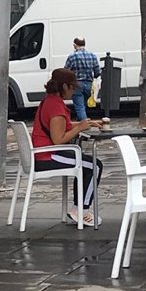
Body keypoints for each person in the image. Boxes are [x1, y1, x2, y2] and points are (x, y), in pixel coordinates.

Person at [31, 68, 103, 226]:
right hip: (48, 155)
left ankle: (79, 206)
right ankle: (81, 209)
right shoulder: (56, 107)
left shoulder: (49, 101)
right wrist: (79, 128)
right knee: (94, 166)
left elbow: (62, 126)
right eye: (72, 87)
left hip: (42, 152)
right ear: (64, 87)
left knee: (88, 164)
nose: (73, 91)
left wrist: (87, 123)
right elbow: (58, 139)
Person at [64, 37, 101, 121]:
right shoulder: (92, 56)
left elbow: (66, 71)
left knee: (80, 107)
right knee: (82, 107)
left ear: (74, 45)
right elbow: (97, 72)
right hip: (89, 84)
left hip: (76, 85)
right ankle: (79, 124)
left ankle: (85, 125)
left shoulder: (72, 56)